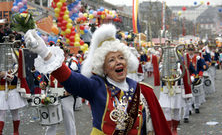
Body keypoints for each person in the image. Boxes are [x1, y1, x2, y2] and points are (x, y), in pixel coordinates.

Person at [24, 24, 171, 135]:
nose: (118, 62)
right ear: (103, 67)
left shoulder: (143, 91)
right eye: (111, 60)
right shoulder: (96, 87)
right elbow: (69, 78)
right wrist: (44, 52)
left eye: (121, 57)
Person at [0, 34, 27, 135]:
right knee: (1, 114)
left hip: (12, 90)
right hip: (1, 91)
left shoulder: (15, 66)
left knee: (15, 113)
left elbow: (16, 79)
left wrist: (5, 75)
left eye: (9, 58)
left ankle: (16, 132)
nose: (8, 60)